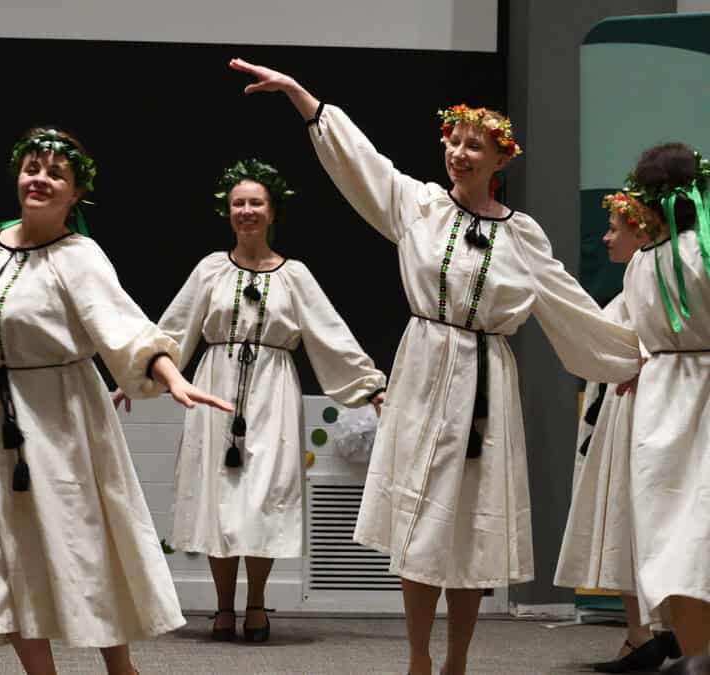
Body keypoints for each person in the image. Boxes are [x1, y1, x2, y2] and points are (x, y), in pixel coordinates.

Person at [228, 59, 642, 675]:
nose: (459, 152)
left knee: (469, 536)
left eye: (475, 145)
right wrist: (300, 97)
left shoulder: (522, 236)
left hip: (486, 386)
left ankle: (457, 663)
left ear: (502, 159)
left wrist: (624, 357)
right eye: (454, 141)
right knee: (421, 531)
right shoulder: (418, 207)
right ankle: (419, 659)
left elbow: (567, 304)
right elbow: (360, 164)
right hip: (424, 372)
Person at [0, 127, 232, 675]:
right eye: (32, 168)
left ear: (75, 193)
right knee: (5, 547)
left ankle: (119, 667)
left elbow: (122, 325)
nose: (39, 179)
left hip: (61, 419)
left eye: (55, 173)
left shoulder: (79, 255)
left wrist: (168, 374)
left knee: (82, 542)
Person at [115, 159, 386, 643]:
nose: (246, 211)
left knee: (263, 500)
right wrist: (135, 374)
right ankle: (222, 608)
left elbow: (330, 333)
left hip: (272, 392)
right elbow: (172, 330)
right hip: (216, 386)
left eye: (255, 202)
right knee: (219, 500)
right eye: (238, 203)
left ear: (272, 210)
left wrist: (370, 387)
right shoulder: (210, 270)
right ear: (227, 211)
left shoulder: (295, 276)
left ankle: (257, 604)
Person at [554, 192, 680, 672]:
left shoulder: (656, 275)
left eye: (613, 228)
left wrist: (640, 363)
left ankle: (655, 634)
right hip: (623, 411)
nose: (605, 237)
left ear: (641, 231)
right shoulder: (634, 280)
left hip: (643, 412)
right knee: (625, 519)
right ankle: (641, 635)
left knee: (643, 517)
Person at [619, 143, 710, 658]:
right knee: (698, 538)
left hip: (659, 402)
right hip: (702, 392)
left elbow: (623, 337)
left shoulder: (640, 265)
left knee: (675, 542)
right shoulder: (704, 252)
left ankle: (696, 659)